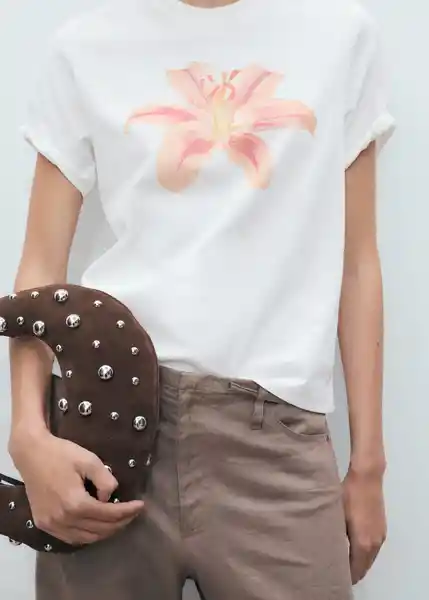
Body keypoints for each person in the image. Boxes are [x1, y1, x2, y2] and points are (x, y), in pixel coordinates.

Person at [8, 0, 395, 599]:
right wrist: (28, 434)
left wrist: (368, 465)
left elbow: (358, 264)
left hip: (275, 438)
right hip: (104, 434)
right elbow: (40, 269)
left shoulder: (340, 35)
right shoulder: (86, 45)